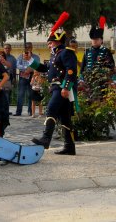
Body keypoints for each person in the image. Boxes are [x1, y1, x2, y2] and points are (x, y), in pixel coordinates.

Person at [26, 11, 77, 155]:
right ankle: (69, 147)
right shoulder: (55, 55)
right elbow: (44, 68)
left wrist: (66, 87)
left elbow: (71, 71)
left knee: (51, 110)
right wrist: (30, 60)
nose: (48, 45)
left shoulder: (66, 52)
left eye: (50, 42)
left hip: (61, 88)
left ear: (57, 41)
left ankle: (46, 139)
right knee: (65, 118)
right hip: (56, 88)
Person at [79, 16, 116, 87]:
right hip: (88, 81)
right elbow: (83, 67)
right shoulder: (87, 51)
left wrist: (113, 80)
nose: (94, 41)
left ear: (101, 40)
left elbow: (112, 66)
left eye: (96, 39)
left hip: (103, 81)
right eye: (93, 39)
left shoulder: (106, 51)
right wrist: (81, 79)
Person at [14, 42, 40, 116]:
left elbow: (37, 65)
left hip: (32, 76)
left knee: (31, 94)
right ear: (24, 48)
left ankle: (31, 111)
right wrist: (26, 69)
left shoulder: (36, 57)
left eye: (29, 47)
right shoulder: (20, 56)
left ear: (32, 48)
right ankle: (18, 112)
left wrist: (30, 69)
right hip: (23, 76)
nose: (28, 48)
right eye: (26, 47)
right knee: (20, 94)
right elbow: (18, 65)